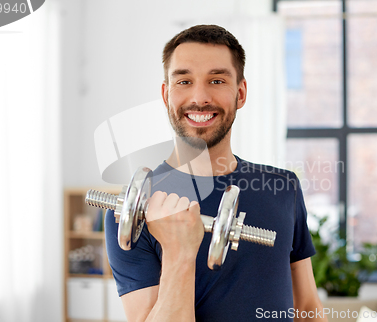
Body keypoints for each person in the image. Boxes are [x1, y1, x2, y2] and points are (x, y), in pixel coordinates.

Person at [105, 24, 327, 322]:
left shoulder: (283, 187)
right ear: (166, 94)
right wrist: (178, 251)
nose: (199, 97)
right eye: (183, 81)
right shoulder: (133, 212)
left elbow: (308, 307)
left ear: (240, 92)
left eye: (217, 80)